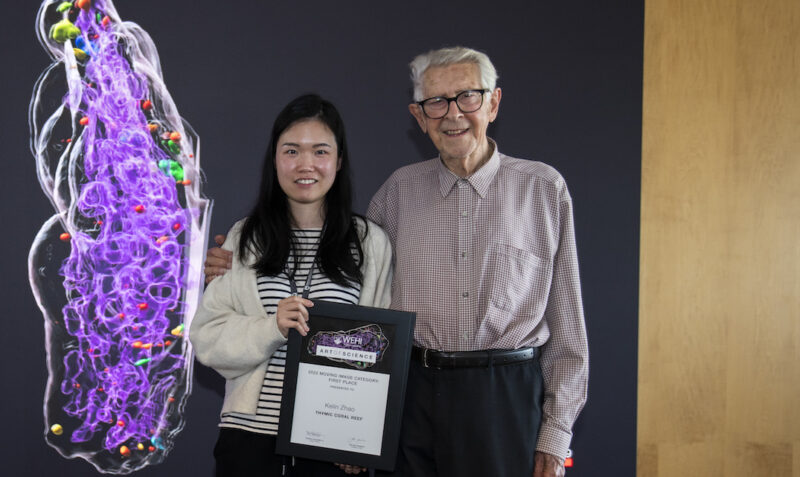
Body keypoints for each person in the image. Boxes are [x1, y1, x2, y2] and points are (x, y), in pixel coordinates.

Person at [205, 47, 588, 477]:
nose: (452, 114)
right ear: (418, 116)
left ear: (494, 102)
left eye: (468, 97)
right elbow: (364, 313)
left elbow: (569, 332)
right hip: (414, 398)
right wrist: (223, 264)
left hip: (505, 396)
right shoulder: (396, 194)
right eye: (436, 103)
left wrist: (556, 436)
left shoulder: (542, 189)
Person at [191, 94, 392, 477]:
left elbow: (383, 350)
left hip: (332, 446)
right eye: (291, 151)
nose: (306, 165)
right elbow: (207, 338)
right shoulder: (244, 238)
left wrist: (361, 434)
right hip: (250, 441)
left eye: (320, 151)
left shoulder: (368, 242)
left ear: (339, 160)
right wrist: (273, 327)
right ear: (275, 159)